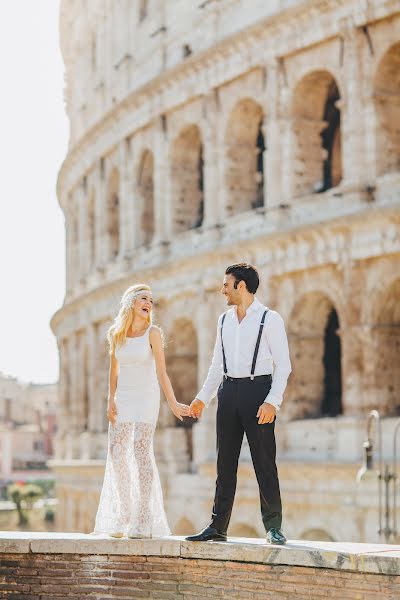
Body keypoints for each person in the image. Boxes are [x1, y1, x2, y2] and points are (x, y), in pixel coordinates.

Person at [186, 263, 291, 545]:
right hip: (228, 391)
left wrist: (273, 402)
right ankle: (218, 526)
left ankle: (273, 527)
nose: (222, 290)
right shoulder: (224, 320)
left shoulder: (270, 319)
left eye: (226, 285)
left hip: (258, 391)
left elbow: (284, 365)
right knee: (224, 463)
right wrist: (202, 398)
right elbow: (216, 365)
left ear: (241, 286)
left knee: (264, 462)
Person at [93, 284, 190, 538]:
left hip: (146, 397)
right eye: (143, 298)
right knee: (116, 453)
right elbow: (113, 371)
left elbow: (161, 371)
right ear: (131, 304)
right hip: (123, 397)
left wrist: (172, 402)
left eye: (151, 300)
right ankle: (125, 512)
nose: (149, 303)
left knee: (140, 451)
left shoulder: (153, 333)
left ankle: (143, 516)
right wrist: (110, 399)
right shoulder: (117, 334)